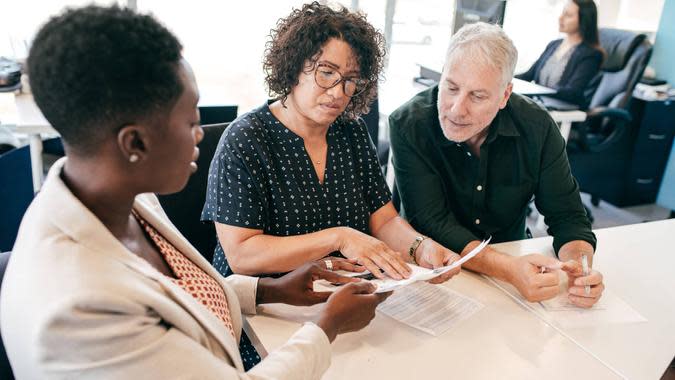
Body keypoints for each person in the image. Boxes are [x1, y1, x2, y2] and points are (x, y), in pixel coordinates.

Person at [0, 6, 390, 379]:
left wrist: (270, 289)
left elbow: (183, 292)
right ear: (134, 143)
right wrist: (326, 327)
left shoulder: (124, 199)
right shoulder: (82, 305)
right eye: (191, 121)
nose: (202, 135)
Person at [202, 2, 460, 283]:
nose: (338, 92)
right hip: (262, 305)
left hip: (342, 295)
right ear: (294, 66)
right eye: (326, 73)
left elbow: (383, 220)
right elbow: (242, 255)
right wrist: (339, 238)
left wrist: (420, 247)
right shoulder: (246, 139)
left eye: (350, 80)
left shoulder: (351, 131)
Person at [389, 22, 605, 308]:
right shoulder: (409, 124)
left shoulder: (537, 128)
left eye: (477, 96)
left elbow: (568, 217)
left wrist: (580, 269)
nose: (456, 109)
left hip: (510, 267)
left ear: (505, 95)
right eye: (451, 87)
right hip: (434, 271)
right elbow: (433, 221)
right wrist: (508, 270)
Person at [515, 0, 603, 109]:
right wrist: (505, 79)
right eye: (562, 13)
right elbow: (529, 75)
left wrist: (540, 90)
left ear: (584, 20)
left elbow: (573, 92)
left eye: (568, 15)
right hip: (541, 103)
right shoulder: (554, 44)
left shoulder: (591, 55)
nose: (560, 18)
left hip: (563, 110)